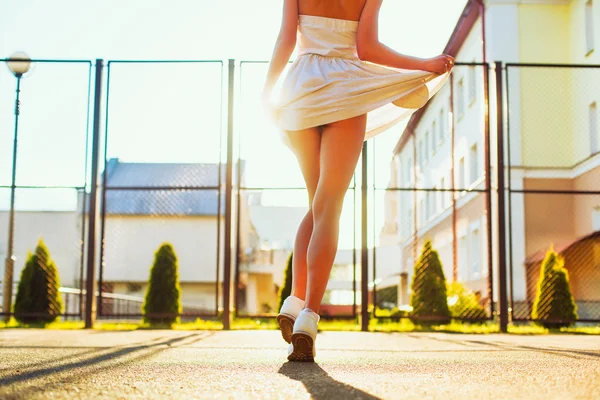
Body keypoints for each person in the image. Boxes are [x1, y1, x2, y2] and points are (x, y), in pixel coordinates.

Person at [262, 0, 454, 362]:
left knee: (316, 203)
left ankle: (293, 300)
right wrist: (425, 64)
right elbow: (368, 49)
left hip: (300, 88)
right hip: (348, 88)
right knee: (329, 206)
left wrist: (268, 91)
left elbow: (287, 38)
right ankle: (308, 317)